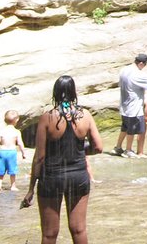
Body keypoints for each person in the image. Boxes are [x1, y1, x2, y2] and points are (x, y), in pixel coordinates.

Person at [20, 76, 101, 244]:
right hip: (78, 176)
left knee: (49, 234)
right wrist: (78, 150)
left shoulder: (47, 118)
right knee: (79, 229)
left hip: (51, 178)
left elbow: (40, 157)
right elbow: (98, 147)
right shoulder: (85, 115)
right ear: (73, 92)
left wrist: (31, 189)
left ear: (55, 93)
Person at [112, 53, 147, 158]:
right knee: (131, 130)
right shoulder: (138, 74)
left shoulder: (124, 69)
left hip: (124, 105)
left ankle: (118, 147)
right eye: (145, 64)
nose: (145, 66)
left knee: (124, 128)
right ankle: (128, 150)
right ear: (141, 63)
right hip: (134, 107)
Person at [0, 110, 25, 190]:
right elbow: (20, 143)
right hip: (12, 152)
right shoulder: (16, 132)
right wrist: (23, 153)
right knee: (12, 170)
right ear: (17, 120)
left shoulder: (1, 131)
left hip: (2, 152)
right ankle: (13, 186)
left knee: (1, 169)